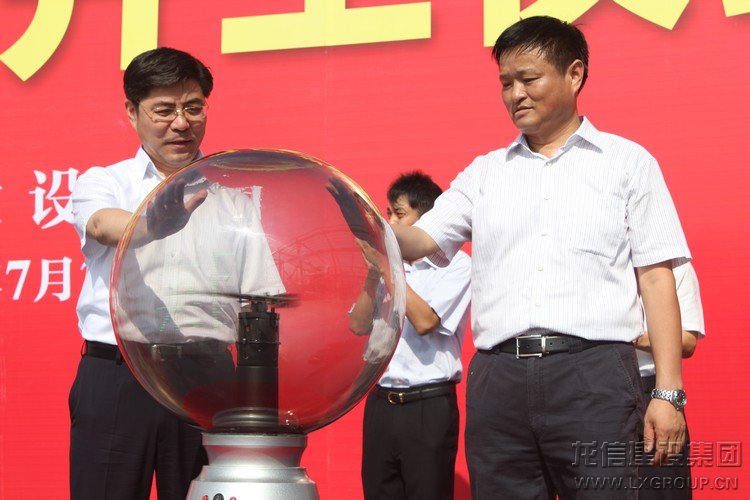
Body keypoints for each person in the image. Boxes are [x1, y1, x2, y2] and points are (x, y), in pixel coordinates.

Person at [382, 16, 691, 499]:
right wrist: (361, 223)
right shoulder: (485, 173)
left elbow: (656, 278)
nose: (515, 94)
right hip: (499, 380)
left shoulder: (627, 163)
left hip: (594, 377)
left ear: (574, 74)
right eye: (506, 83)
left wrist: (668, 393)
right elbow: (421, 240)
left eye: (528, 79)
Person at [70, 47, 215, 500]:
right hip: (118, 375)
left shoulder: (230, 190)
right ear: (133, 111)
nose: (181, 123)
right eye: (164, 110)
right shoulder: (105, 181)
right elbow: (101, 225)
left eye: (193, 108)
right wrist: (156, 223)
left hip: (203, 378)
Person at [350, 172, 471, 500]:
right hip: (381, 404)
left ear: (426, 218)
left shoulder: (456, 265)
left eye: (399, 214)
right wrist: (374, 273)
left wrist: (387, 269)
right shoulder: (386, 266)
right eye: (388, 213)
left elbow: (425, 320)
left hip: (427, 406)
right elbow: (358, 325)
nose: (389, 222)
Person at [635, 262, 705, 499]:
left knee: (662, 486)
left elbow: (687, 341)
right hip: (596, 386)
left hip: (653, 392)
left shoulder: (677, 266)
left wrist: (628, 337)